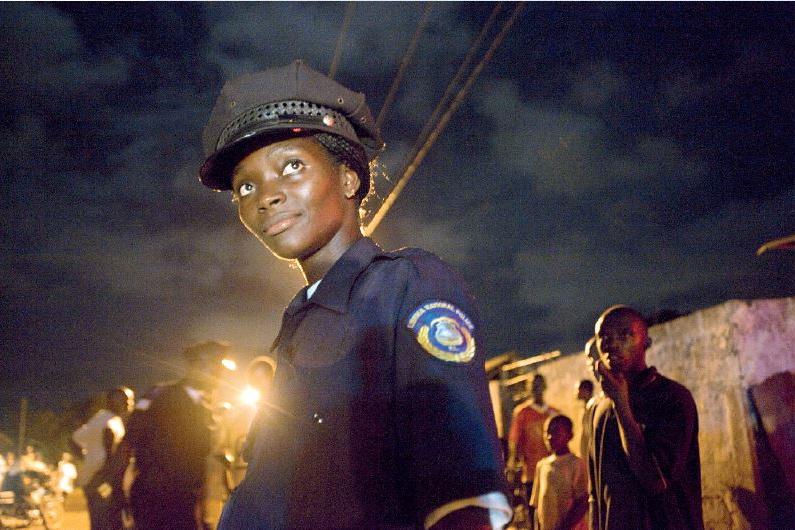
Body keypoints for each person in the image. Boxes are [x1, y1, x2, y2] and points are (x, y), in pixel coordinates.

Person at [199, 60, 510, 529]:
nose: (266, 196)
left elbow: (461, 494)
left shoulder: (405, 286)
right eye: (246, 185)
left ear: (348, 178)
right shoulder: (301, 321)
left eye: (291, 166)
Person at [587, 305, 703, 530]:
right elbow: (595, 493)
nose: (612, 344)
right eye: (605, 337)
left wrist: (621, 404)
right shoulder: (599, 409)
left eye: (625, 335)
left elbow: (655, 479)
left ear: (646, 342)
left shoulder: (672, 398)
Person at [124, 340, 229, 530]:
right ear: (196, 366)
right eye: (215, 367)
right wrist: (116, 491)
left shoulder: (203, 408)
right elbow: (128, 441)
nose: (219, 374)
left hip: (183, 504)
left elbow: (200, 463)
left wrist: (203, 513)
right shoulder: (159, 395)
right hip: (154, 501)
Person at [73, 386, 133, 530]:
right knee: (104, 522)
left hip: (100, 478)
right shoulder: (108, 420)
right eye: (125, 400)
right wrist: (98, 465)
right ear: (113, 401)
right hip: (101, 480)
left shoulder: (103, 418)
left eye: (130, 400)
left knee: (107, 521)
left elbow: (75, 438)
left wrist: (87, 458)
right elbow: (109, 448)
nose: (129, 403)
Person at [529, 415, 588, 530]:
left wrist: (565, 527)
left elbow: (582, 502)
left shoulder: (576, 464)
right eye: (547, 432)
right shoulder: (542, 466)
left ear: (570, 435)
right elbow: (537, 505)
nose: (550, 437)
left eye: (556, 432)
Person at [507, 374, 559, 495]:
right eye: (534, 386)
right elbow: (514, 442)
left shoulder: (553, 413)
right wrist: (513, 465)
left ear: (544, 386)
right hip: (531, 473)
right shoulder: (522, 413)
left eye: (539, 385)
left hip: (553, 471)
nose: (537, 389)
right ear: (528, 389)